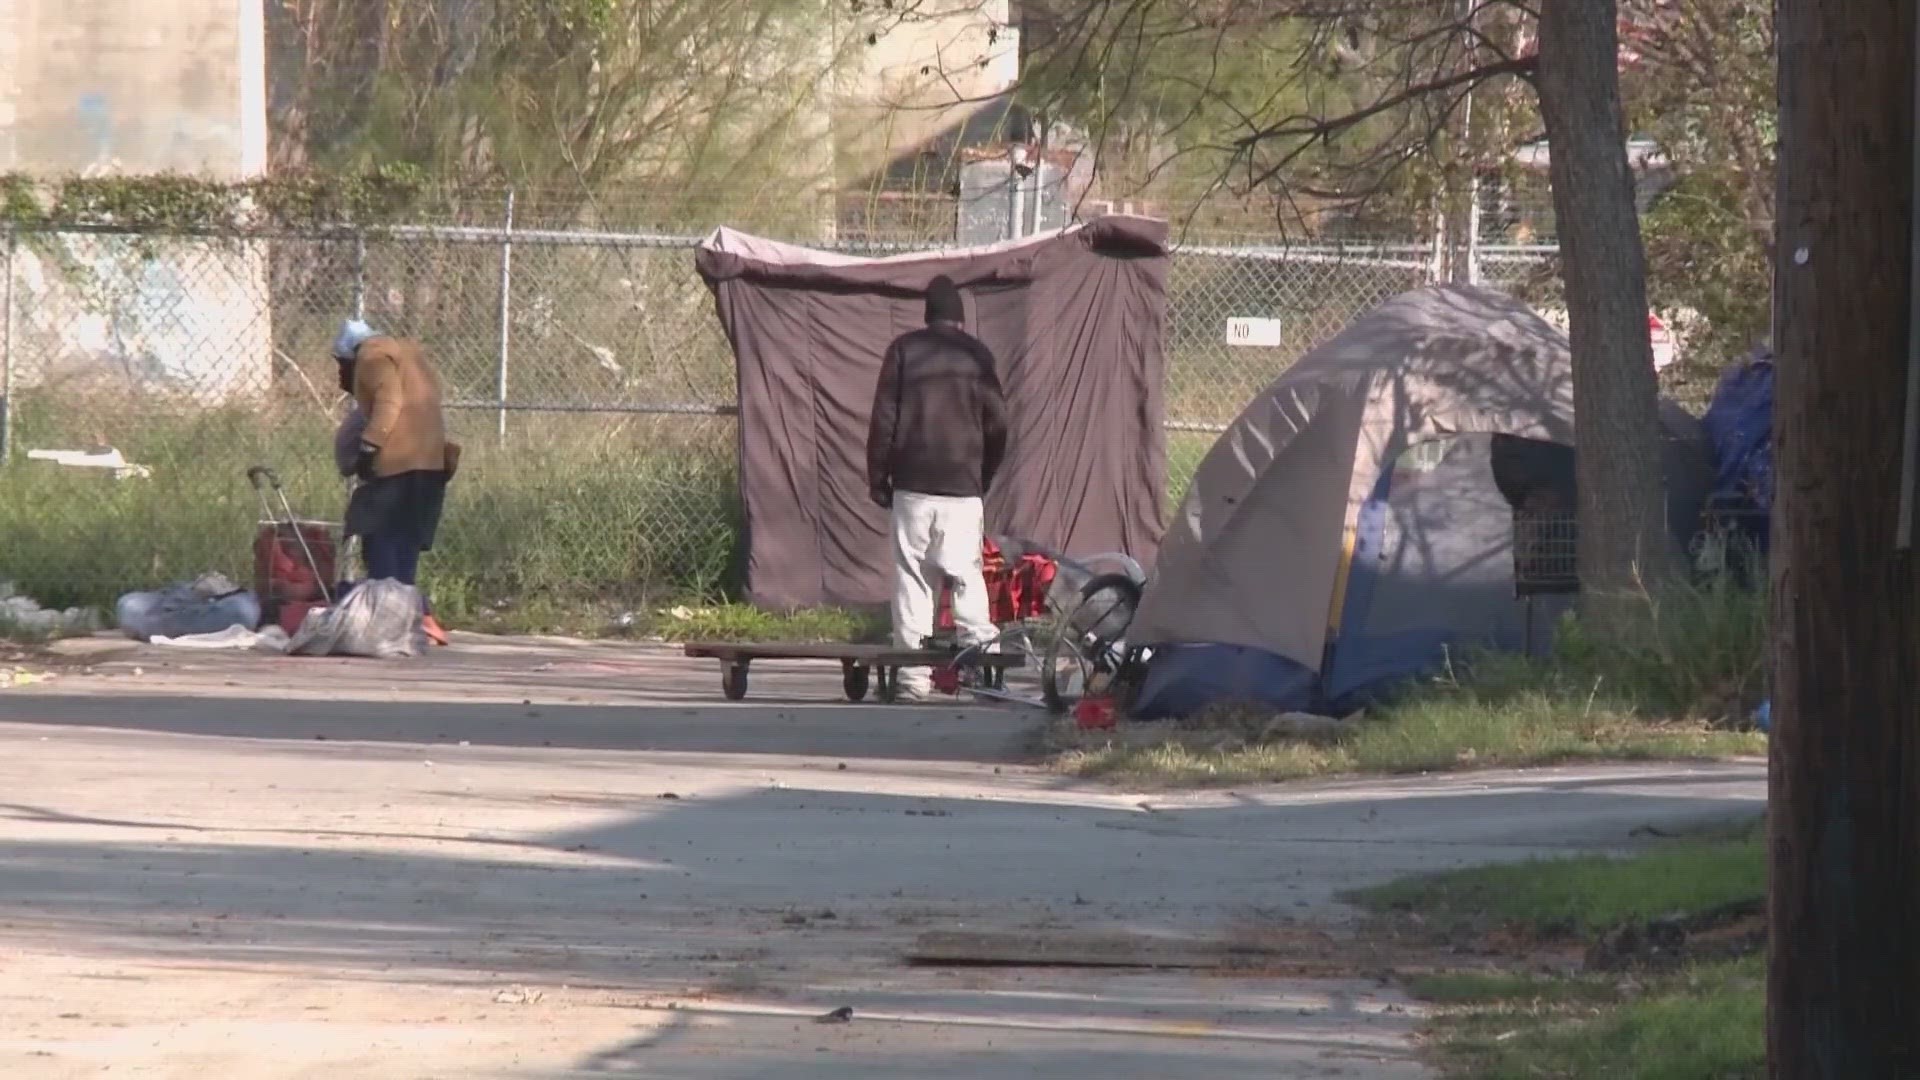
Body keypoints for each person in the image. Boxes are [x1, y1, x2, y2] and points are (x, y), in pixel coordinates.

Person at [865, 276, 1009, 702]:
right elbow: (998, 424)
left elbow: (884, 420)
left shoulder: (904, 351)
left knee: (913, 580)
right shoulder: (978, 356)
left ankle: (912, 682)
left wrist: (878, 478)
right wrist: (983, 475)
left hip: (913, 487)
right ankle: (987, 672)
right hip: (963, 488)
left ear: (926, 316)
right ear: (960, 321)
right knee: (967, 577)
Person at [331, 319, 460, 645]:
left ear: (350, 353)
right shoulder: (410, 356)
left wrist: (368, 447)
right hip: (429, 464)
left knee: (381, 540)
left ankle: (388, 624)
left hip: (396, 465)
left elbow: (389, 404)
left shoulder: (373, 357)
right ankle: (411, 620)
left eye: (341, 364)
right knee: (405, 544)